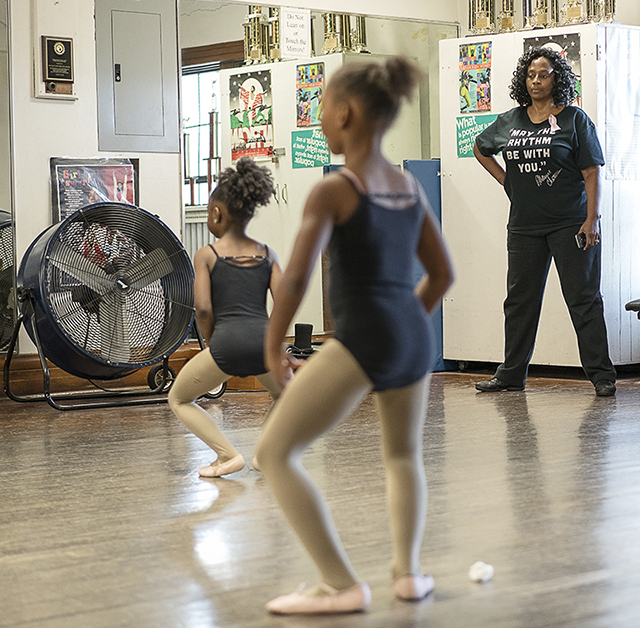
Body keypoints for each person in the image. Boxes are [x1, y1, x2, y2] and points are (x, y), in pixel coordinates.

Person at [253, 57, 453, 615]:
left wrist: (274, 346)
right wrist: (402, 322)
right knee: (403, 455)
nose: (319, 121)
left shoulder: (336, 188)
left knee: (275, 452)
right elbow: (442, 276)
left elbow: (294, 276)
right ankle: (408, 575)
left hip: (365, 334)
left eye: (320, 111)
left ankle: (339, 583)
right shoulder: (409, 186)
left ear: (345, 113)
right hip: (415, 335)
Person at [472, 47, 616, 397]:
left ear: (557, 78)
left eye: (544, 74)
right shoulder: (510, 120)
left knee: (582, 299)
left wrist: (591, 219)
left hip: (570, 223)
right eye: (531, 75)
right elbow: (480, 147)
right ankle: (510, 374)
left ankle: (602, 376)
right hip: (524, 226)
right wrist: (507, 181)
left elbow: (591, 171)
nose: (536, 81)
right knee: (519, 302)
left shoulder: (574, 120)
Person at [167, 157, 282, 478]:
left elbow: (202, 308)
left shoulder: (207, 254)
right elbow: (286, 299)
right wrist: (275, 342)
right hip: (264, 343)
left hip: (227, 343)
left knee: (179, 398)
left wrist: (212, 342)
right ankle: (265, 455)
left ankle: (227, 455)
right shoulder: (267, 253)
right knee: (283, 395)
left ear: (216, 213)